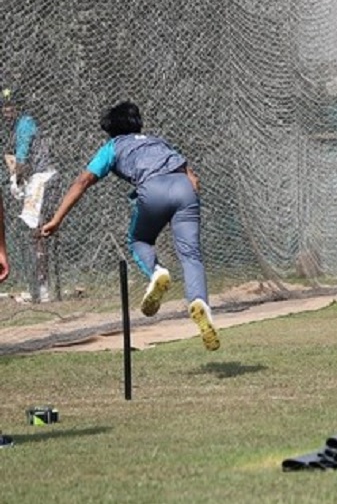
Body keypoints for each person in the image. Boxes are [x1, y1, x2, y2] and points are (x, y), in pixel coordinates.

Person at [39, 101, 219, 351]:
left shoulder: (113, 147)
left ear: (111, 129)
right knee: (191, 255)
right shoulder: (158, 142)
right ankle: (200, 304)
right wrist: (186, 207)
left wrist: (57, 219)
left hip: (152, 189)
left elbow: (83, 181)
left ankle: (156, 272)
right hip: (184, 189)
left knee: (139, 241)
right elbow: (193, 177)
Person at [2, 85, 56, 302]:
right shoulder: (11, 127)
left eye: (10, 105)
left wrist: (17, 180)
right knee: (33, 229)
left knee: (35, 228)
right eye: (3, 106)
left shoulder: (25, 123)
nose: (6, 110)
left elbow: (22, 157)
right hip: (33, 178)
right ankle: (38, 284)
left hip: (42, 176)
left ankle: (43, 287)